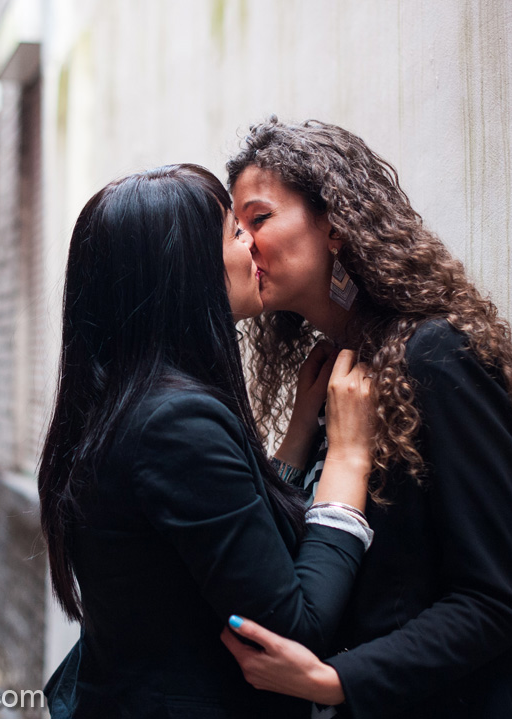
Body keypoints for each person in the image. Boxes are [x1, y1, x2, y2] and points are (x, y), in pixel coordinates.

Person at [219, 118, 512, 719]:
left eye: (259, 219)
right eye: (236, 229)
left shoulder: (437, 355)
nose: (245, 245)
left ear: (336, 224)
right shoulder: (331, 371)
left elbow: (490, 600)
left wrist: (335, 680)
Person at [38, 164, 377, 718]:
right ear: (186, 270)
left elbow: (224, 545)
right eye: (234, 232)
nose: (253, 246)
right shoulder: (175, 425)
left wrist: (293, 444)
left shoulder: (127, 403)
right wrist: (347, 455)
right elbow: (294, 627)